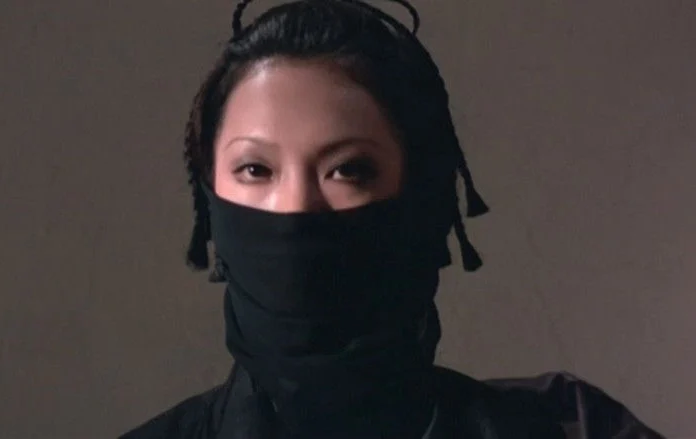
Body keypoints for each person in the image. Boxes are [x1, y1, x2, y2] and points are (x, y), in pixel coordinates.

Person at [121, 0, 663, 437]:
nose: (295, 208)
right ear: (211, 197)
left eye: (348, 169)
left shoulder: (573, 429)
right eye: (255, 169)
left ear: (422, 198)